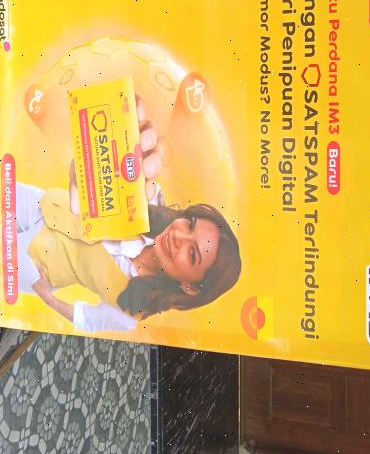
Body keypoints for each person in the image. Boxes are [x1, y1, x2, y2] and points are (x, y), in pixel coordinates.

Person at [15, 99, 242, 333]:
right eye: (190, 224)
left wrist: (46, 296)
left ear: (190, 287)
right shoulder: (151, 201)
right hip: (42, 204)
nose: (179, 235)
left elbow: (89, 320)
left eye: (192, 253)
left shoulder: (136, 304)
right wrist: (128, 121)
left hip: (37, 262)